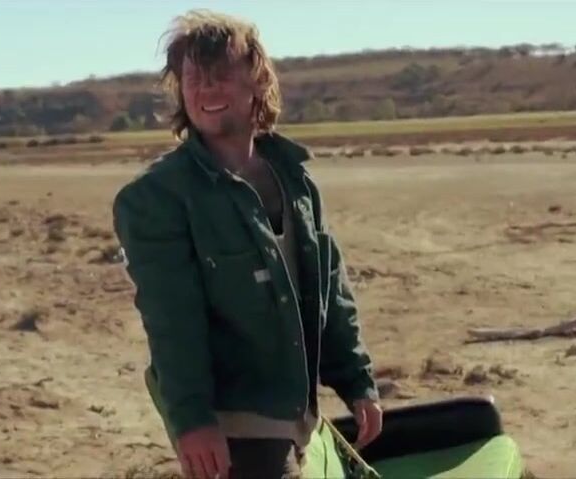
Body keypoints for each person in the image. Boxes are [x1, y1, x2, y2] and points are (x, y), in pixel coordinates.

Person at [112, 9, 381, 479]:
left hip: (298, 414)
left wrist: (357, 381)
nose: (206, 90)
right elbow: (171, 321)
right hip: (233, 424)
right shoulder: (157, 198)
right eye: (194, 78)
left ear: (256, 80)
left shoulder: (295, 180)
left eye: (221, 74)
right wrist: (192, 421)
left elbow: (331, 291)